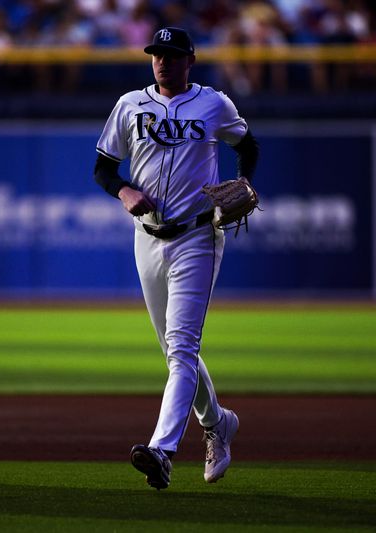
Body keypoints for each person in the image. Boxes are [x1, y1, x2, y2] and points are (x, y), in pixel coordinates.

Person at [94, 26, 259, 490]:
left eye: (171, 54)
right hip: (146, 237)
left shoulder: (214, 103)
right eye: (156, 54)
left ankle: (162, 451)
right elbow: (103, 167)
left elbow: (247, 144)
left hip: (197, 238)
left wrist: (245, 181)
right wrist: (123, 189)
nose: (161, 61)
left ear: (190, 60)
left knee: (182, 348)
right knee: (174, 351)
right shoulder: (130, 105)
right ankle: (219, 424)